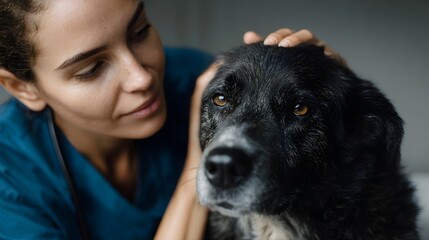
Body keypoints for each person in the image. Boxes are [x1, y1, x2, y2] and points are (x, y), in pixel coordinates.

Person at [0, 0, 332, 239]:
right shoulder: (10, 185)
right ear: (22, 87)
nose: (141, 78)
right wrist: (199, 159)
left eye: (139, 32)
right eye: (92, 69)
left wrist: (331, 90)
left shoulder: (198, 82)